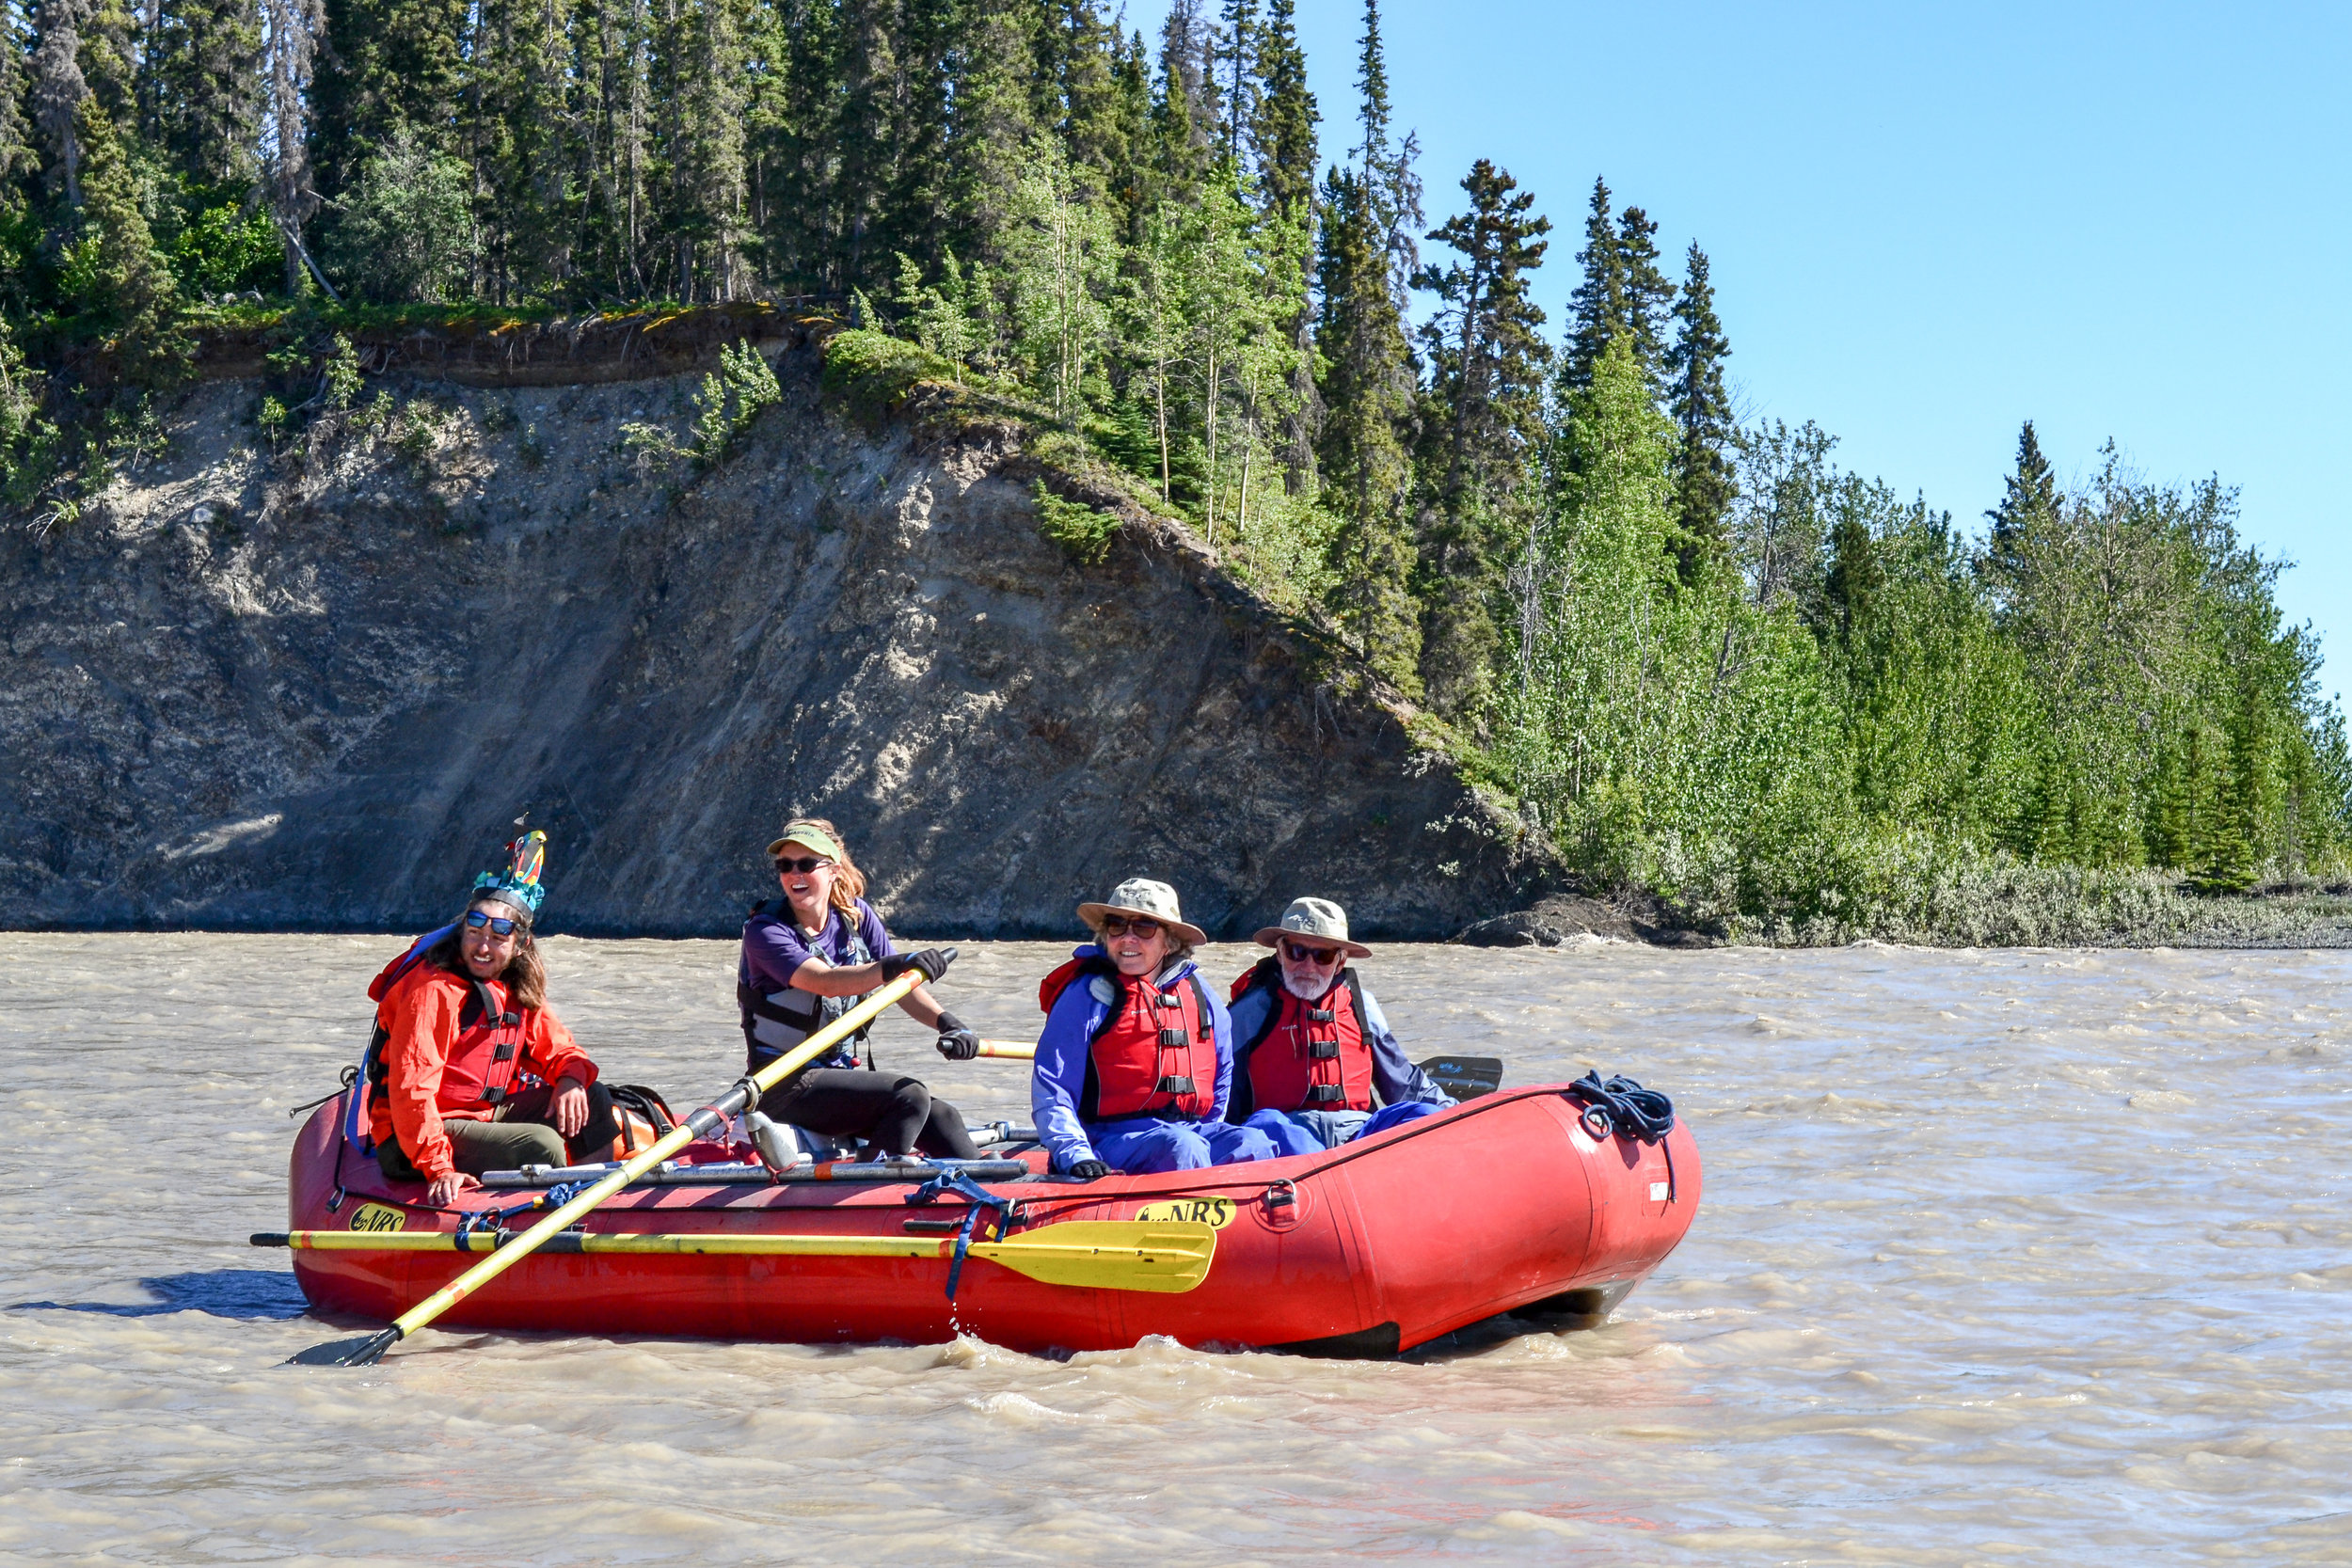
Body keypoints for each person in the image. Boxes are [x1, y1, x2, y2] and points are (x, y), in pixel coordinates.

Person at [368, 831, 623, 1208]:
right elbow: (412, 1092)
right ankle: (552, 1218)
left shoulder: (513, 987)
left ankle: (598, 1207)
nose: (482, 947)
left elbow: (560, 1049)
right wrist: (439, 1168)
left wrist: (570, 1077)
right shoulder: (432, 991)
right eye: (474, 934)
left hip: (482, 1116)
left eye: (496, 939)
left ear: (519, 946)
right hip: (413, 1137)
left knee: (593, 1097)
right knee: (543, 1145)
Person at [738, 817, 981, 1161]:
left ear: (833, 870)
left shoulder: (856, 917)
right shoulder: (766, 931)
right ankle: (866, 1187)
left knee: (942, 1117)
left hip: (837, 1077)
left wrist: (948, 1022)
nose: (795, 874)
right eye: (785, 866)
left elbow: (900, 987)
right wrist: (898, 964)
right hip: (783, 1085)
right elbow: (826, 982)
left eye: (806, 865)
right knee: (908, 1096)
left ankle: (990, 1190)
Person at [1031, 879, 1279, 1179]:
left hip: (1189, 1130)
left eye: (1144, 927)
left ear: (1170, 941)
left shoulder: (1201, 994)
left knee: (1253, 1143)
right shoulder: (1087, 994)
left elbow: (1222, 1076)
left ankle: (1235, 1216)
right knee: (1183, 1147)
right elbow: (1052, 1086)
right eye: (1117, 925)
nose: (1127, 938)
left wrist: (1207, 1129)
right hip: (1108, 1138)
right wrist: (1074, 1152)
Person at [1227, 896, 1452, 1156]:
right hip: (1283, 1132)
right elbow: (1224, 1094)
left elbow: (1403, 1083)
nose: (1308, 966)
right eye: (1297, 952)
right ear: (1280, 953)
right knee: (1269, 1126)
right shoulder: (1251, 1009)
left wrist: (1456, 1111)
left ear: (1340, 962)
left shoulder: (1362, 1005)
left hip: (1356, 1133)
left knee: (1425, 1115)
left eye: (1323, 955)